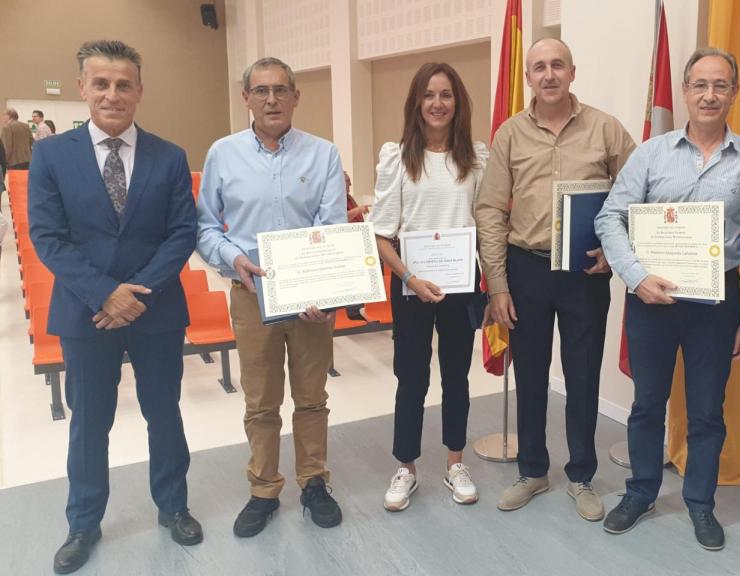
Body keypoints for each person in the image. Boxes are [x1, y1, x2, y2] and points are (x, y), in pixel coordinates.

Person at [28, 40, 202, 574]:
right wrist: (104, 292)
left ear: (139, 91)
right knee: (89, 422)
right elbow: (48, 236)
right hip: (86, 312)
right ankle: (83, 522)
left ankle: (173, 507)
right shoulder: (51, 155)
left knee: (163, 413)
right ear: (82, 88)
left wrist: (134, 293)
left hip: (156, 312)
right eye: (100, 83)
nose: (112, 94)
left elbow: (181, 234)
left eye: (123, 84)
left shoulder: (169, 156)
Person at [595, 47, 740, 550]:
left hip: (717, 306)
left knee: (708, 410)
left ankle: (700, 503)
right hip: (651, 299)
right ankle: (641, 491)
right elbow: (611, 217)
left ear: (734, 92)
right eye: (699, 85)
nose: (709, 95)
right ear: (686, 90)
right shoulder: (649, 153)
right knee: (647, 404)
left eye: (720, 85)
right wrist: (635, 276)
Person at [476, 37, 635, 522]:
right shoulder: (509, 134)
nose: (548, 74)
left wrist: (614, 252)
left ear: (572, 72)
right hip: (526, 268)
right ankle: (532, 470)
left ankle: (581, 475)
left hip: (585, 271)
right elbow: (489, 209)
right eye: (539, 67)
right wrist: (498, 284)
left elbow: (636, 195)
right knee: (530, 372)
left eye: (557, 65)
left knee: (583, 373)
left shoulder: (606, 130)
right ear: (528, 77)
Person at [197, 56, 347, 538]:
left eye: (281, 90)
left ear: (296, 97)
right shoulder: (222, 153)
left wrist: (324, 287)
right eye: (261, 91)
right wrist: (231, 259)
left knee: (312, 397)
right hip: (249, 295)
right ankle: (264, 489)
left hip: (311, 301)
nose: (271, 99)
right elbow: (204, 226)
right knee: (260, 402)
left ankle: (313, 482)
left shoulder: (323, 153)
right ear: (246, 98)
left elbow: (332, 226)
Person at [369, 62, 488, 512]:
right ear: (416, 103)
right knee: (411, 377)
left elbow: (486, 224)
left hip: (461, 287)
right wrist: (409, 278)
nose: (438, 104)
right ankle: (407, 467)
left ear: (458, 104)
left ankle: (455, 462)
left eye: (446, 95)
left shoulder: (476, 158)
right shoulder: (397, 157)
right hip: (411, 286)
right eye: (429, 95)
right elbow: (380, 234)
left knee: (457, 376)